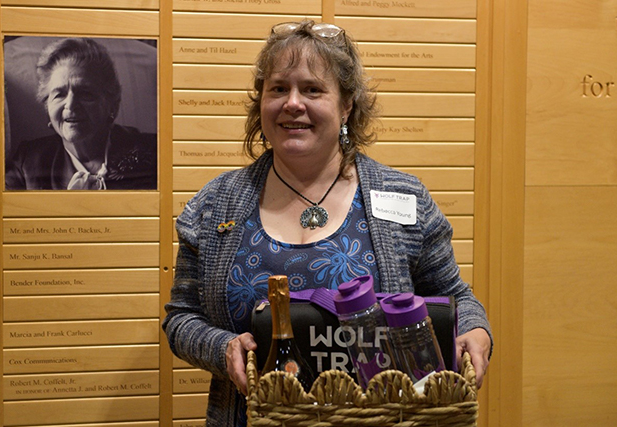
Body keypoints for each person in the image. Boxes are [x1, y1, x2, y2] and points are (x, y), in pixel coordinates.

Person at [163, 20, 492, 427]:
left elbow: (456, 296)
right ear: (260, 101)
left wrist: (477, 332)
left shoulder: (403, 197)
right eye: (279, 88)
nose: (293, 103)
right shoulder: (215, 205)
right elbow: (181, 318)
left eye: (312, 89)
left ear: (347, 104)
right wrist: (224, 347)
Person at [5, 38, 157, 190]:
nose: (70, 105)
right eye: (60, 94)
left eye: (85, 94)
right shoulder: (27, 165)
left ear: (113, 105)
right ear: (47, 107)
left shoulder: (155, 153)